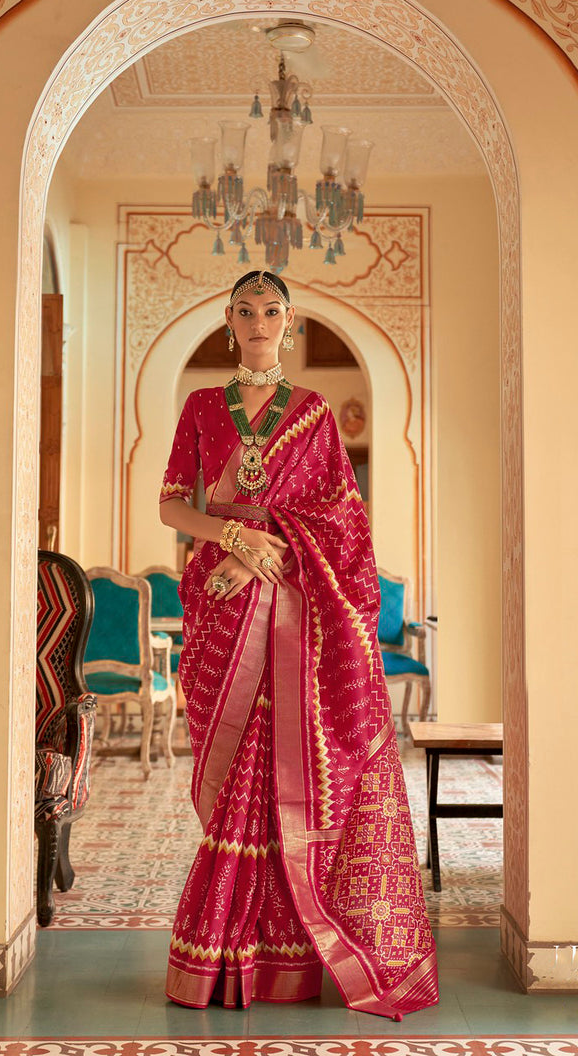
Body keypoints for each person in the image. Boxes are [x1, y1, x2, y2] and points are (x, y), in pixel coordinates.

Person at [158, 270, 438, 1021]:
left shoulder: (312, 414)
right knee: (233, 775)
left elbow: (343, 519)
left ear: (292, 321)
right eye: (245, 311)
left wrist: (275, 542)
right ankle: (225, 955)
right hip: (222, 598)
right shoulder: (200, 407)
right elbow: (170, 505)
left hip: (287, 610)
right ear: (227, 321)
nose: (258, 321)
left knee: (278, 769)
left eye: (271, 310)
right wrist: (234, 536)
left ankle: (279, 954)